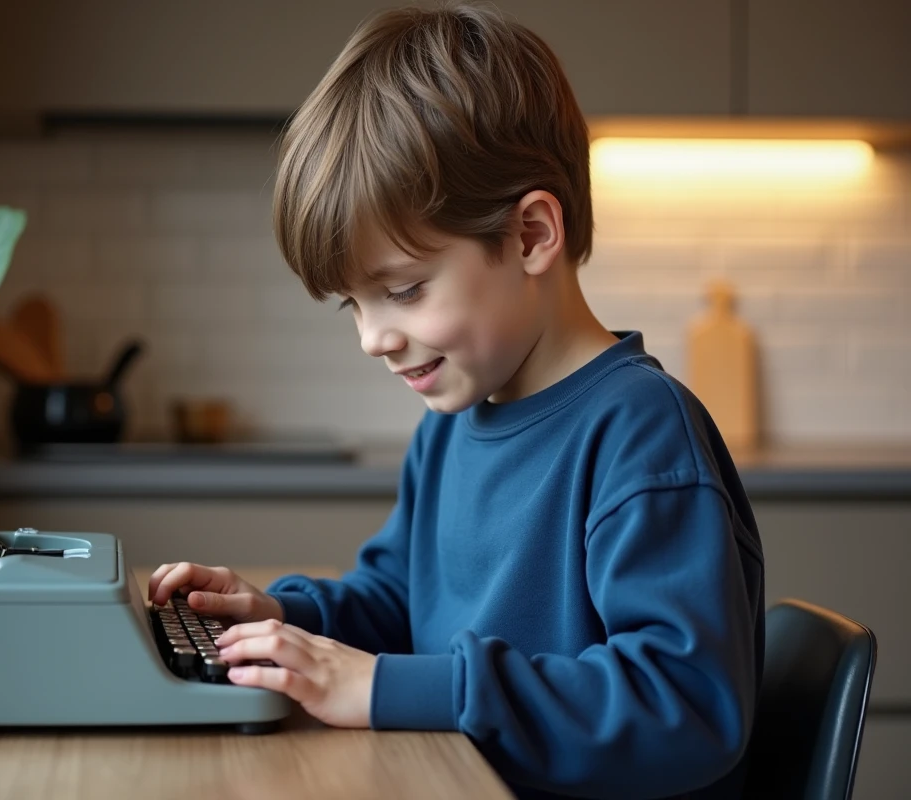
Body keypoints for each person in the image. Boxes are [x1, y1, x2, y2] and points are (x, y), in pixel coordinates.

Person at [148, 4, 765, 798]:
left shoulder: (641, 437)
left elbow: (683, 707)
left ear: (532, 235)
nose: (374, 337)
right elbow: (402, 602)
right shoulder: (455, 422)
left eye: (403, 290)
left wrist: (384, 688)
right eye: (355, 306)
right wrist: (283, 616)